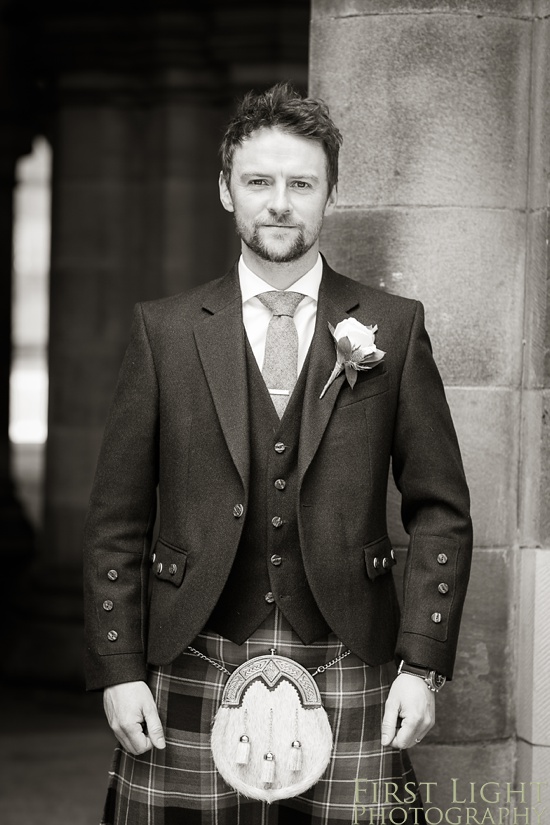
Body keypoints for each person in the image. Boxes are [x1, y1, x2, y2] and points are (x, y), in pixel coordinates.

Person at [83, 82, 473, 825]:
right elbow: (116, 520)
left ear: (331, 195)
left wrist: (423, 664)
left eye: (302, 183)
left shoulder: (393, 324)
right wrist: (117, 666)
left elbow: (441, 511)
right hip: (190, 647)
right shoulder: (163, 331)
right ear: (226, 190)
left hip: (349, 646)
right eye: (259, 181)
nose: (280, 202)